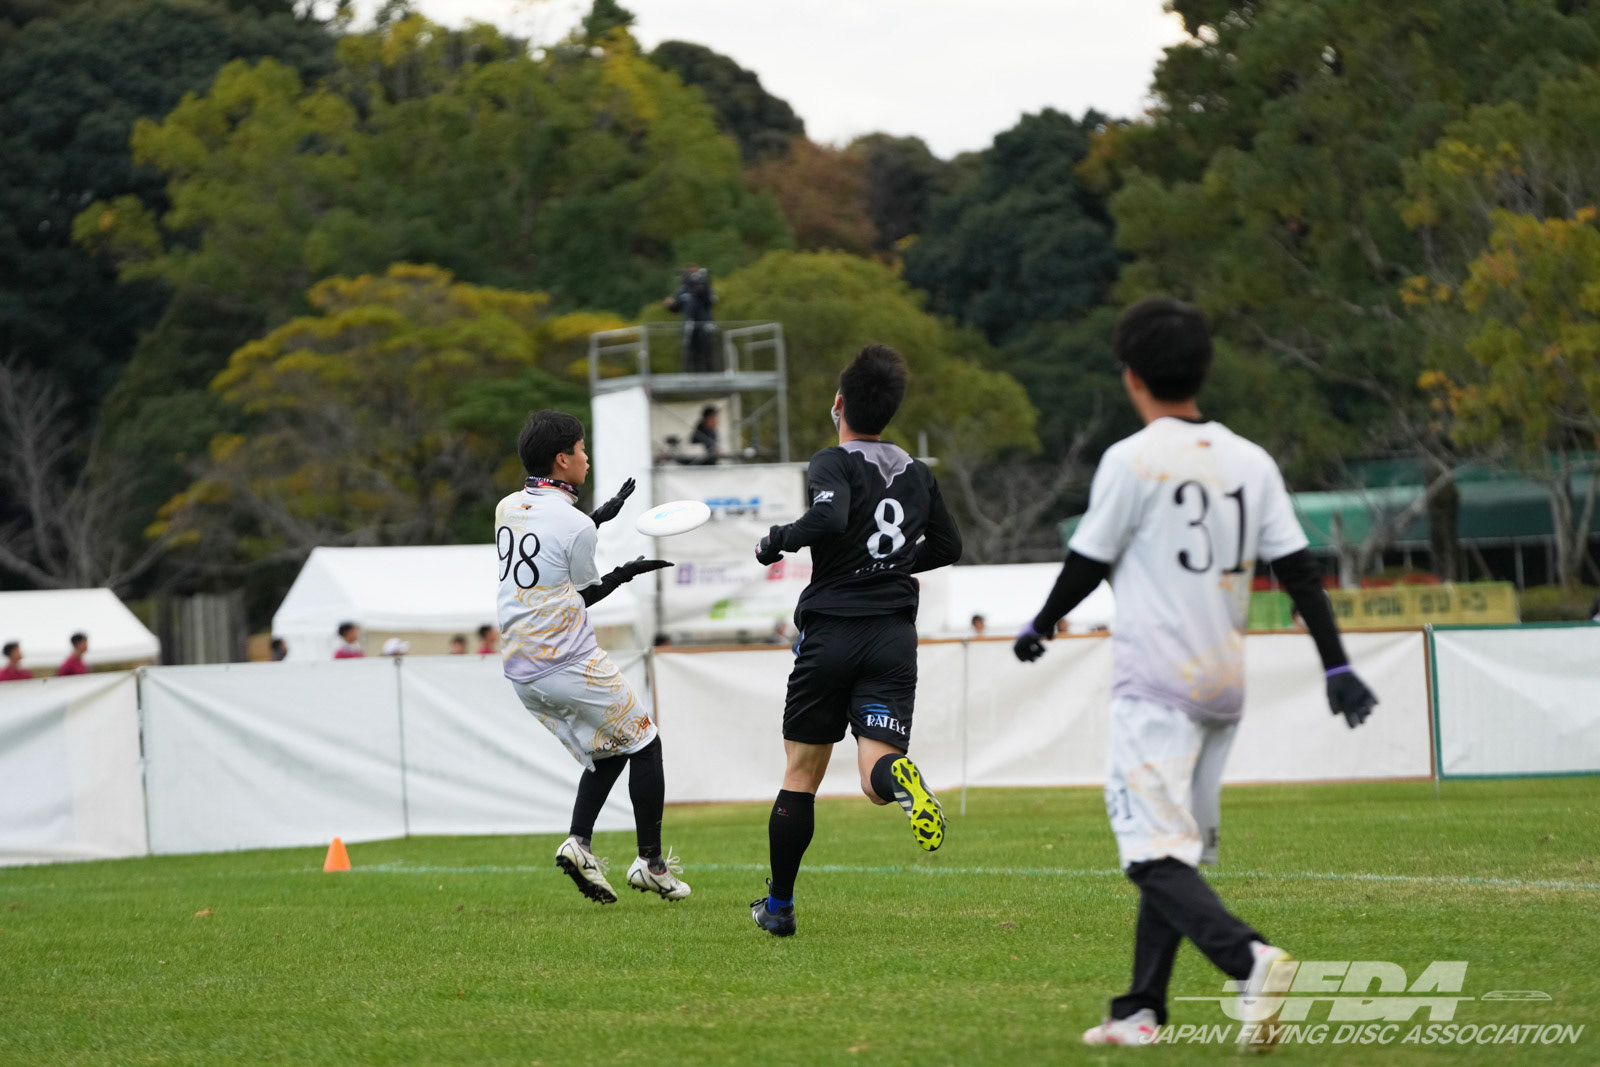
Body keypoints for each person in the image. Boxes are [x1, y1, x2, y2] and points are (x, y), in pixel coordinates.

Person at [1013, 298, 1378, 1049]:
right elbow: (1300, 571)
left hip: (1155, 684)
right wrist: (1336, 662)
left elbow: (1088, 560)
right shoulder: (1251, 460)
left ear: (1132, 376)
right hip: (1222, 685)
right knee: (1172, 852)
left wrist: (1041, 623)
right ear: (1203, 370)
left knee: (1148, 853)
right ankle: (1140, 1009)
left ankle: (1250, 960)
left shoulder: (1133, 459)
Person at [750, 344, 964, 937]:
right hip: (892, 636)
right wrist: (890, 567)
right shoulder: (917, 471)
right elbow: (949, 547)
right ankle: (903, 779)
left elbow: (828, 519)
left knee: (801, 774)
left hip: (833, 632)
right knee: (876, 776)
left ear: (839, 403)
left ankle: (780, 908)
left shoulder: (833, 461)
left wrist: (776, 541)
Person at [496, 410, 689, 904]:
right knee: (645, 742)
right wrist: (626, 571)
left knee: (609, 750)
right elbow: (585, 592)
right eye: (581, 450)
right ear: (562, 460)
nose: (587, 457)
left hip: (520, 668)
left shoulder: (508, 506)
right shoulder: (575, 525)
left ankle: (579, 843)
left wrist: (598, 516)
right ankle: (651, 865)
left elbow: (548, 550)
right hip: (566, 660)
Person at [664, 266, 717, 373]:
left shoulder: (703, 286)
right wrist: (669, 305)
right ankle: (692, 375)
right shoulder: (683, 291)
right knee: (691, 355)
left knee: (707, 354)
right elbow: (676, 307)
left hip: (704, 327)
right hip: (689, 328)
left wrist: (700, 281)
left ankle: (710, 374)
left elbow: (708, 299)